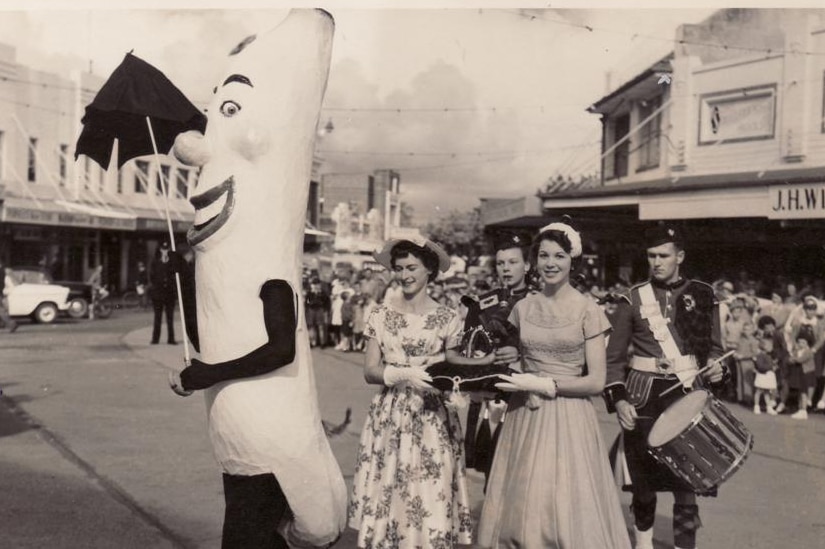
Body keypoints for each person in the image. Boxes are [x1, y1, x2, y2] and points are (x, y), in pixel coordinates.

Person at [477, 222, 631, 549]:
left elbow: (596, 381)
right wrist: (513, 363)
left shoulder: (588, 310)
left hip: (568, 416)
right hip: (524, 415)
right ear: (533, 261)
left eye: (559, 256)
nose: (551, 263)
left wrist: (548, 384)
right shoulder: (522, 307)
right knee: (522, 504)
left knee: (561, 504)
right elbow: (515, 357)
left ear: (572, 260)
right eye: (543, 255)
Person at [348, 237, 493, 548]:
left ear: (429, 270)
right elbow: (370, 371)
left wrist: (475, 365)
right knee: (392, 486)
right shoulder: (381, 314)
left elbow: (455, 363)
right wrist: (401, 373)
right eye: (399, 268)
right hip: (391, 412)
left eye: (411, 267)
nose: (404, 275)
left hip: (432, 414)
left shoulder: (447, 317)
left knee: (430, 486)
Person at [603, 225, 727, 549]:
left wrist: (717, 368)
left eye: (664, 255)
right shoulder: (632, 297)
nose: (656, 262)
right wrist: (619, 401)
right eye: (651, 255)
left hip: (688, 393)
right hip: (644, 397)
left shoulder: (703, 294)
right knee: (643, 484)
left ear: (680, 257)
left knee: (687, 482)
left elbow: (715, 347)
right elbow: (613, 359)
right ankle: (643, 546)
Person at [463, 233, 531, 486]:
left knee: (523, 470)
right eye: (501, 263)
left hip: (523, 394)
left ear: (527, 265)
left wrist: (521, 353)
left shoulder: (540, 301)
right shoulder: (482, 303)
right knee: (491, 469)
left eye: (513, 262)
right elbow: (466, 346)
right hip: (488, 395)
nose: (506, 268)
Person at [150, 242, 177, 345]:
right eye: (163, 249)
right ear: (160, 250)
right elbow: (152, 277)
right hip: (158, 294)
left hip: (169, 294)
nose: (165, 251)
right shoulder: (155, 262)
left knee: (170, 318)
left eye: (167, 249)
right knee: (158, 317)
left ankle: (171, 339)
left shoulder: (172, 263)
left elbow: (175, 277)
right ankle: (155, 339)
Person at [787, 331, 817, 419]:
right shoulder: (797, 351)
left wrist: (793, 359)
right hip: (800, 373)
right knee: (801, 391)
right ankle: (801, 409)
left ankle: (803, 410)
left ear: (808, 343)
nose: (801, 344)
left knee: (804, 392)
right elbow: (790, 359)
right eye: (799, 342)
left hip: (807, 373)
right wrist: (793, 358)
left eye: (803, 342)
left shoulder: (808, 352)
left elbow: (800, 360)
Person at [753, 337, 778, 415]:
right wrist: (771, 367)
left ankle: (769, 407)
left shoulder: (768, 355)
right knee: (759, 391)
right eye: (770, 346)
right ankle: (756, 406)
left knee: (767, 392)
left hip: (767, 376)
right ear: (764, 346)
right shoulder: (760, 355)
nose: (771, 347)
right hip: (762, 375)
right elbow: (760, 366)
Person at [305, 277, 330, 348]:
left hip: (320, 309)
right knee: (311, 326)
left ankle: (322, 342)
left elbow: (327, 302)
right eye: (314, 284)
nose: (316, 286)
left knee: (320, 326)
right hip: (311, 309)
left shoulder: (323, 293)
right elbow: (307, 302)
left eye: (317, 284)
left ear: (320, 285)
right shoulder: (309, 293)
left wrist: (326, 310)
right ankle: (312, 342)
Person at [0, 260, 18, 333]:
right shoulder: (3, 271)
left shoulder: (2, 272)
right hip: (1, 292)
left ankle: (11, 324)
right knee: (2, 310)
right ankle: (5, 324)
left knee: (1, 311)